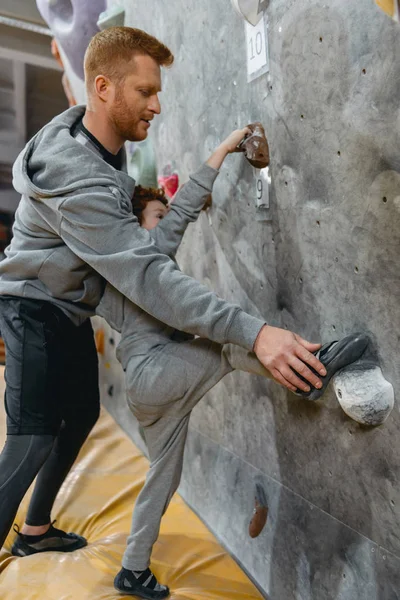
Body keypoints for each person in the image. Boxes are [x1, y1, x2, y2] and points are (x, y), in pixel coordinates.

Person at [0, 27, 325, 560]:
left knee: (80, 414)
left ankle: (34, 532)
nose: (158, 104)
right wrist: (256, 332)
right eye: (145, 92)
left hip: (71, 307)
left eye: (158, 90)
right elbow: (150, 275)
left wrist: (219, 153)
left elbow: (163, 232)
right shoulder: (80, 178)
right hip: (32, 306)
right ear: (103, 88)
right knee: (31, 439)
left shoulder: (105, 147)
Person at [96, 128, 278, 597]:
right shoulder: (149, 251)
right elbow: (184, 206)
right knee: (228, 348)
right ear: (140, 226)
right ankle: (309, 365)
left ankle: (132, 570)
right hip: (155, 375)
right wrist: (224, 146)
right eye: (157, 215)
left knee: (164, 477)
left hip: (149, 390)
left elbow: (181, 207)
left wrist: (222, 150)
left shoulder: (115, 274)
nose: (168, 220)